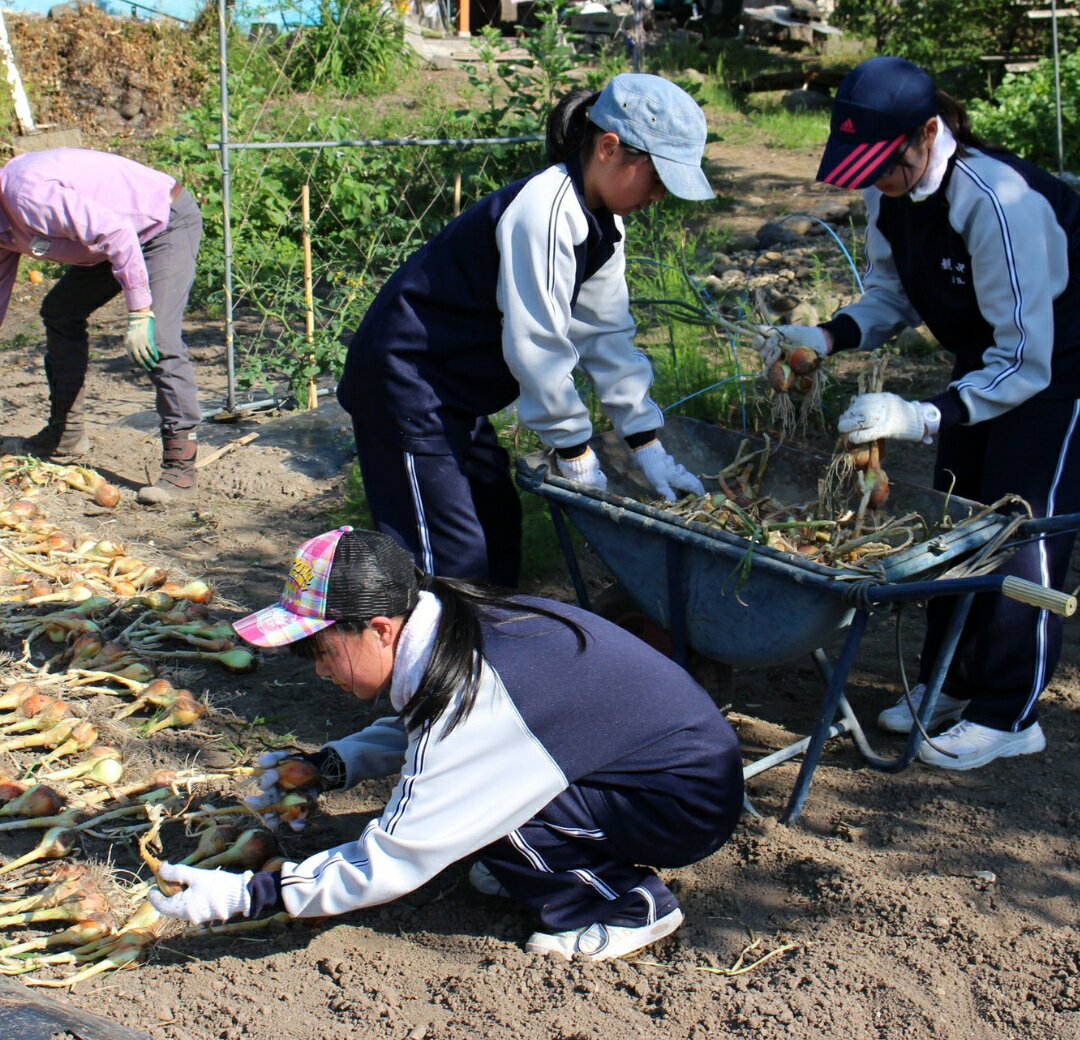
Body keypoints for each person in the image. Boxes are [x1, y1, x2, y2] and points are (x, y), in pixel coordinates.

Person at [148, 526, 744, 961]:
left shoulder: (482, 689)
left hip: (682, 805)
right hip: (644, 769)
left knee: (484, 812)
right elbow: (434, 732)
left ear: (379, 628)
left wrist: (250, 894)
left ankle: (624, 905)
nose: (317, 670)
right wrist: (330, 766)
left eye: (319, 650)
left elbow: (398, 854)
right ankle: (553, 863)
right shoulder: (449, 624)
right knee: (478, 802)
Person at [757, 56, 1080, 770]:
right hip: (991, 353)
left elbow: (1028, 358)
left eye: (886, 163)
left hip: (1061, 360)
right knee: (958, 515)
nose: (877, 179)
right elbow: (890, 295)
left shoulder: (997, 201)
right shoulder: (889, 189)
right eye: (864, 166)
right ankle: (950, 680)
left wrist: (922, 416)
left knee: (1024, 523)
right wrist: (826, 335)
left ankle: (1009, 713)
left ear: (929, 131)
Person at [336, 73, 713, 587]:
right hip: (406, 380)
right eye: (658, 179)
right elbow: (537, 345)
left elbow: (606, 335)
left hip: (454, 390)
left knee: (497, 520)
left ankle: (490, 648)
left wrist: (645, 442)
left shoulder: (605, 225)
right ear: (609, 148)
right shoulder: (544, 211)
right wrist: (573, 449)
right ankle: (430, 658)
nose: (660, 196)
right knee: (448, 556)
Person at [0, 148, 203, 505]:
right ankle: (66, 434)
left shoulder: (28, 196)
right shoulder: (3, 226)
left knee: (160, 336)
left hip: (159, 225)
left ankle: (180, 467)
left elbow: (118, 230)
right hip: (109, 244)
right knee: (61, 311)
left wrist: (140, 312)